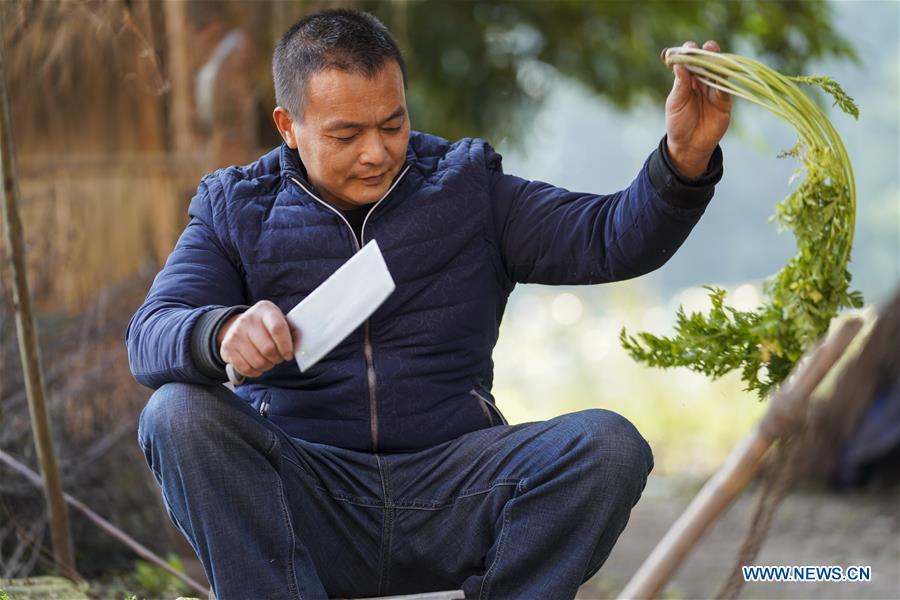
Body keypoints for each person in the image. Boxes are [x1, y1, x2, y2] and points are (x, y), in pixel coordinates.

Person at [128, 8, 730, 600]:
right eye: (346, 135)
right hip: (306, 501)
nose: (376, 153)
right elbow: (151, 332)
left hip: (456, 492)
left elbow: (610, 237)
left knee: (607, 446)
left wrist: (684, 159)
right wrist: (220, 332)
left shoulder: (466, 188)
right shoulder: (237, 208)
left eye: (392, 125)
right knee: (176, 412)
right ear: (288, 125)